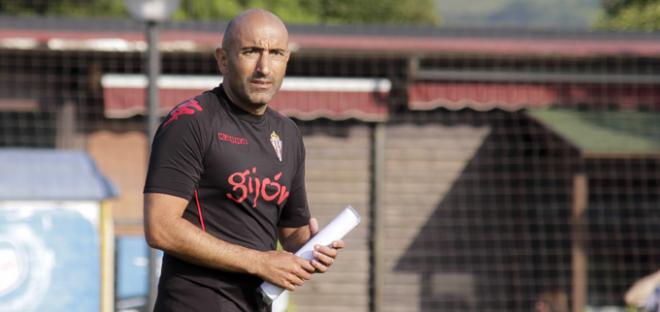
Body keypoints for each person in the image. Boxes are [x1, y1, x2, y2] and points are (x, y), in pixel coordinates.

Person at [143, 9, 345, 312]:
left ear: (286, 60)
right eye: (251, 51)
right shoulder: (191, 122)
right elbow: (160, 227)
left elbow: (292, 233)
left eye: (275, 53)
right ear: (223, 59)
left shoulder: (287, 134)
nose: (264, 67)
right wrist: (259, 262)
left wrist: (314, 248)